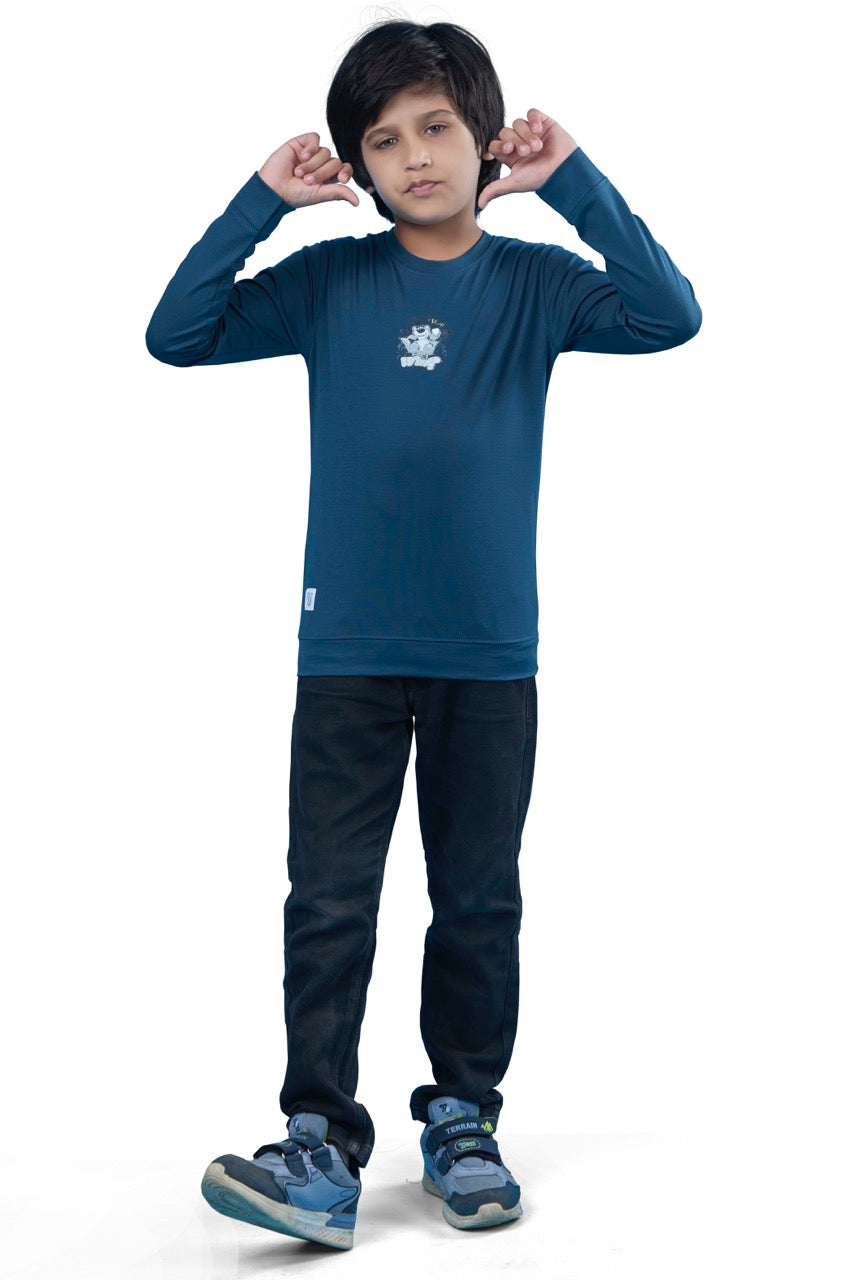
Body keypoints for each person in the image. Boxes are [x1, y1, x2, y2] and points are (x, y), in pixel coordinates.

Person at [145, 17, 701, 1252]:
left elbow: (671, 314)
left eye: (437, 127)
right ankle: (317, 1142)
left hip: (487, 654)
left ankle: (462, 1116)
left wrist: (572, 181)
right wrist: (261, 201)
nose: (414, 156)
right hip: (345, 650)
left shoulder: (536, 284)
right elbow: (175, 333)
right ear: (357, 161)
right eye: (383, 139)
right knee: (328, 901)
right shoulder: (329, 281)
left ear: (481, 137)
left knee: (477, 898)